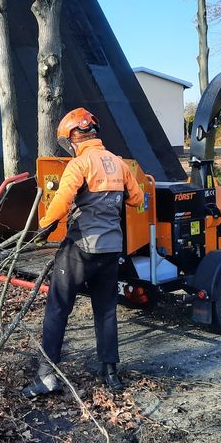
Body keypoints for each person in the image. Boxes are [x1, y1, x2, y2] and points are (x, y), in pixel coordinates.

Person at [22, 107, 144, 398]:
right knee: (105, 310)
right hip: (111, 249)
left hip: (81, 248)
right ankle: (110, 371)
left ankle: (46, 376)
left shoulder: (79, 165)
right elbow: (138, 199)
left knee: (57, 308)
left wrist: (43, 226)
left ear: (73, 137)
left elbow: (62, 201)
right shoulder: (119, 164)